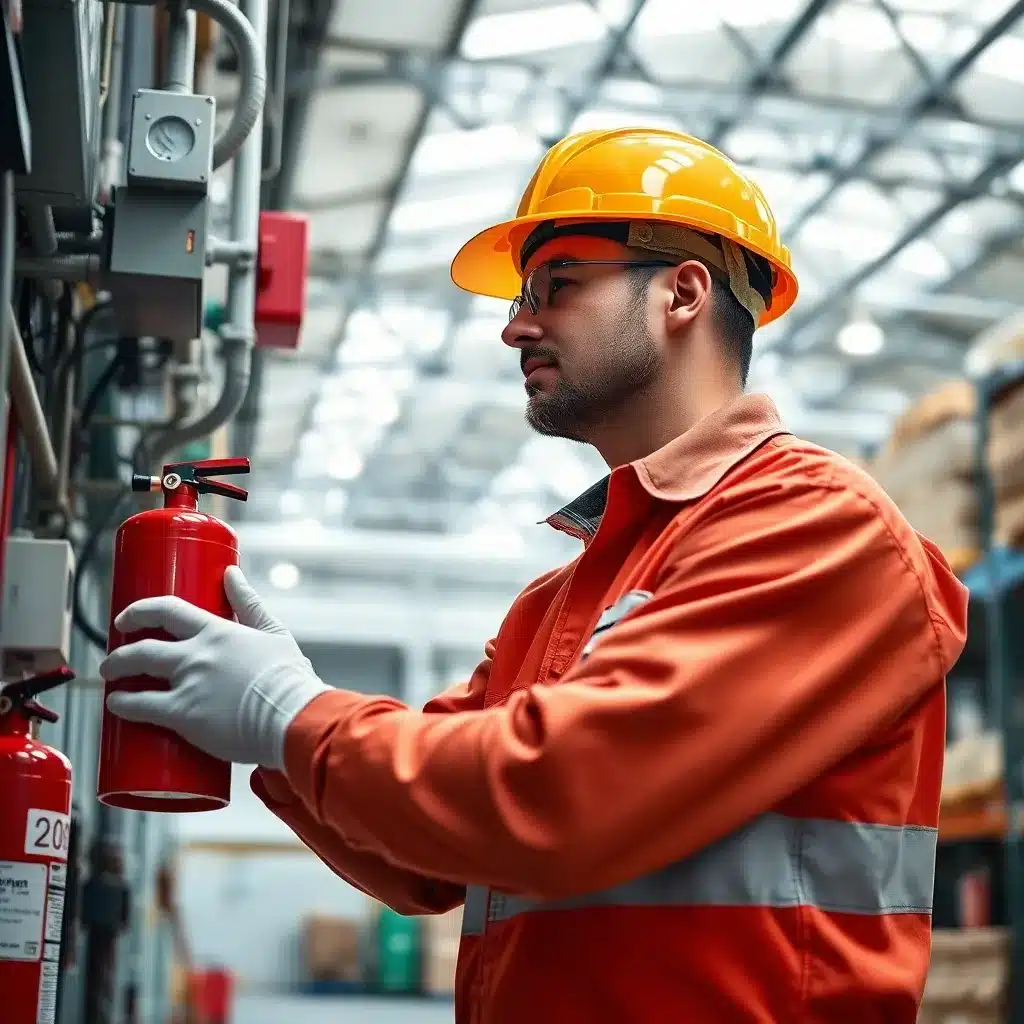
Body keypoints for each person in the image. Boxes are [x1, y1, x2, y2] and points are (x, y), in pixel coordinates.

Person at [101, 127, 970, 1023]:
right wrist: (277, 724)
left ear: (682, 292)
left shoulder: (820, 527)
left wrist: (288, 715)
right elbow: (426, 860)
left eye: (558, 287)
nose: (515, 325)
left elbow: (550, 796)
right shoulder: (560, 598)